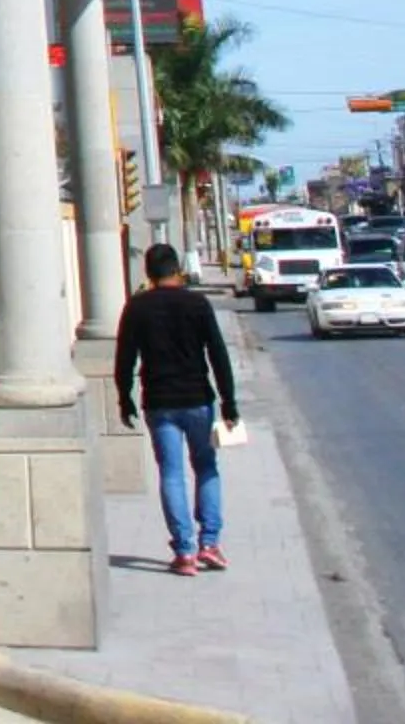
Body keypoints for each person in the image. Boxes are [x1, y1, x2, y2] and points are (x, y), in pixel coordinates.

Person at [115, 241, 239, 576]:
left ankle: (184, 552)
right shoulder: (196, 303)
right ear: (178, 270)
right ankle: (209, 543)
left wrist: (124, 397)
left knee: (171, 474)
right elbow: (217, 353)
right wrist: (229, 401)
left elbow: (125, 357)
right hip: (198, 399)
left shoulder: (137, 307)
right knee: (206, 467)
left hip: (159, 403)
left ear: (149, 272)